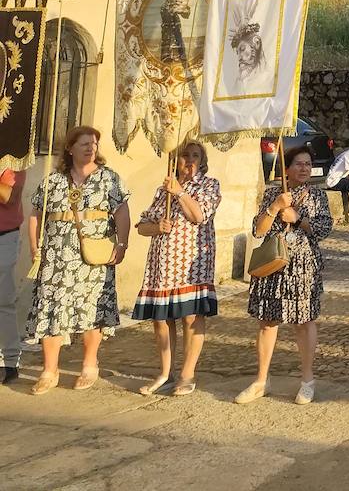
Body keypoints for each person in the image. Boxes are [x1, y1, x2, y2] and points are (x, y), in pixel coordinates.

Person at [25, 126, 131, 394]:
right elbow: (36, 213)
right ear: (70, 148)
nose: (90, 147)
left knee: (91, 310)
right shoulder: (54, 181)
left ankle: (89, 365)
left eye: (94, 143)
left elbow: (122, 213)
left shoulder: (109, 179)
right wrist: (35, 247)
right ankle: (49, 370)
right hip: (56, 259)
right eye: (84, 143)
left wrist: (122, 243)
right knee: (50, 310)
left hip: (93, 256)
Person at [236, 143, 334, 406]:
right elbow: (258, 230)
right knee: (267, 321)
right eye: (298, 164)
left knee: (303, 322)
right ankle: (261, 380)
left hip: (303, 265)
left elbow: (324, 229)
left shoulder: (317, 197)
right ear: (286, 169)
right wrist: (276, 206)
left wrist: (298, 218)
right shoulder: (273, 194)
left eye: (307, 164)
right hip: (274, 264)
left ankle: (307, 380)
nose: (304, 168)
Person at [132, 140, 221, 396]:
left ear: (202, 161)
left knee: (191, 317)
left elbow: (198, 215)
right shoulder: (163, 191)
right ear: (176, 161)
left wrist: (181, 192)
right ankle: (165, 372)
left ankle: (187, 374)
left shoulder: (209, 185)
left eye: (195, 156)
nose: (190, 160)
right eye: (185, 156)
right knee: (162, 319)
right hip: (161, 265)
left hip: (192, 264)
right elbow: (142, 226)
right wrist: (157, 226)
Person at [0, 165, 25, 383]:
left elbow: (6, 195)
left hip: (4, 237)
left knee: (3, 301)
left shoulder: (13, 159)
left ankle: (9, 361)